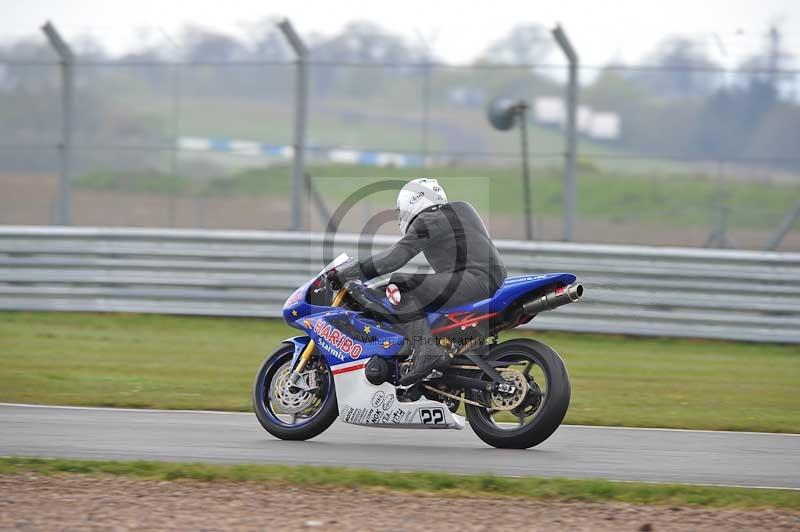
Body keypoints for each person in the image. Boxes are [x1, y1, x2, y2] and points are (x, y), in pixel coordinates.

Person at [335, 178, 507, 385]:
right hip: (487, 283)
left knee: (399, 284)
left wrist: (356, 271)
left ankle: (427, 350)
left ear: (412, 203)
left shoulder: (432, 219)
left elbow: (396, 257)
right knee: (419, 300)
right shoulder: (461, 211)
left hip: (473, 281)